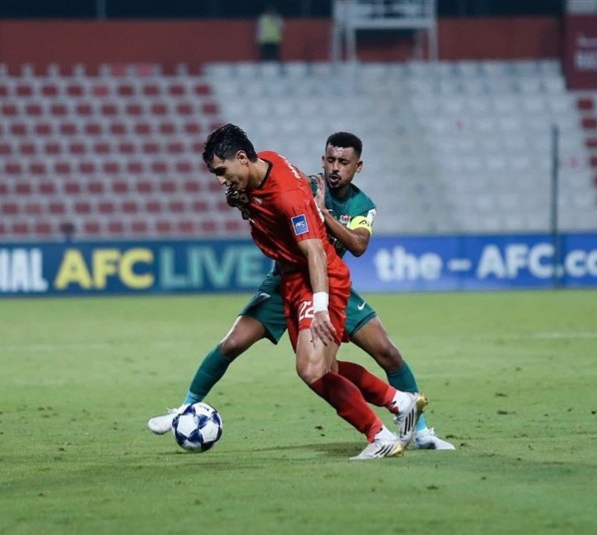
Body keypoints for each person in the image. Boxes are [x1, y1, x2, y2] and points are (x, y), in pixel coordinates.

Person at [148, 130, 454, 451]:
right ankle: (184, 409)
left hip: (322, 280)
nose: (335, 167)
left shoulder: (349, 203)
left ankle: (414, 429)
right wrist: (245, 204)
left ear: (358, 166)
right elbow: (266, 204)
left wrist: (322, 218)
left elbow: (347, 247)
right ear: (322, 160)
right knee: (237, 344)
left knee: (374, 355)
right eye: (331, 160)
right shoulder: (293, 178)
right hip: (287, 278)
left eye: (343, 162)